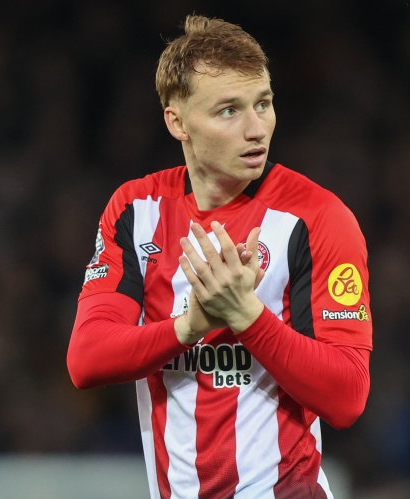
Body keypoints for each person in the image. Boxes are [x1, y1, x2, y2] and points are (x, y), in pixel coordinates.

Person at [67, 14, 372, 499]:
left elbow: (348, 396)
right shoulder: (137, 210)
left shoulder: (317, 218)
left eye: (263, 104)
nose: (256, 128)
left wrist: (246, 316)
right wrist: (190, 326)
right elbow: (86, 360)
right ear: (177, 122)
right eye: (229, 111)